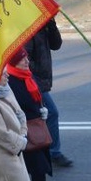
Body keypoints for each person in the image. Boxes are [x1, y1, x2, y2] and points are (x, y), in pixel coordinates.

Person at [7, 47, 63, 181]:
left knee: (37, 168)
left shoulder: (29, 76)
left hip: (36, 128)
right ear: (13, 62)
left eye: (26, 58)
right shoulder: (10, 81)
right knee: (6, 174)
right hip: (22, 131)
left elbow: (37, 97)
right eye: (22, 59)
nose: (26, 61)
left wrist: (41, 109)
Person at [24, 17, 74, 168]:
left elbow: (56, 44)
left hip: (41, 81)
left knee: (38, 115)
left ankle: (41, 150)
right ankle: (52, 153)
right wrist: (36, 81)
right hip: (33, 82)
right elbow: (25, 60)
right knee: (50, 113)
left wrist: (51, 24)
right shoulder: (28, 29)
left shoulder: (43, 26)